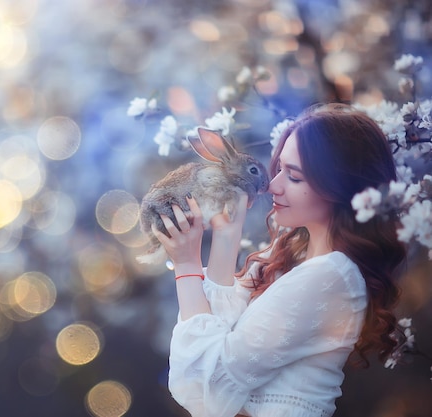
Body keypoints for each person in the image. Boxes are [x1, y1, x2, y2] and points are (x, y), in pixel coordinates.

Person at [152, 103, 406, 417]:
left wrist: (188, 266)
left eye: (294, 177)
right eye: (280, 169)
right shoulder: (292, 255)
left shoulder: (330, 277)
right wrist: (226, 238)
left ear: (337, 187)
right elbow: (217, 333)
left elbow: (210, 383)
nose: (274, 186)